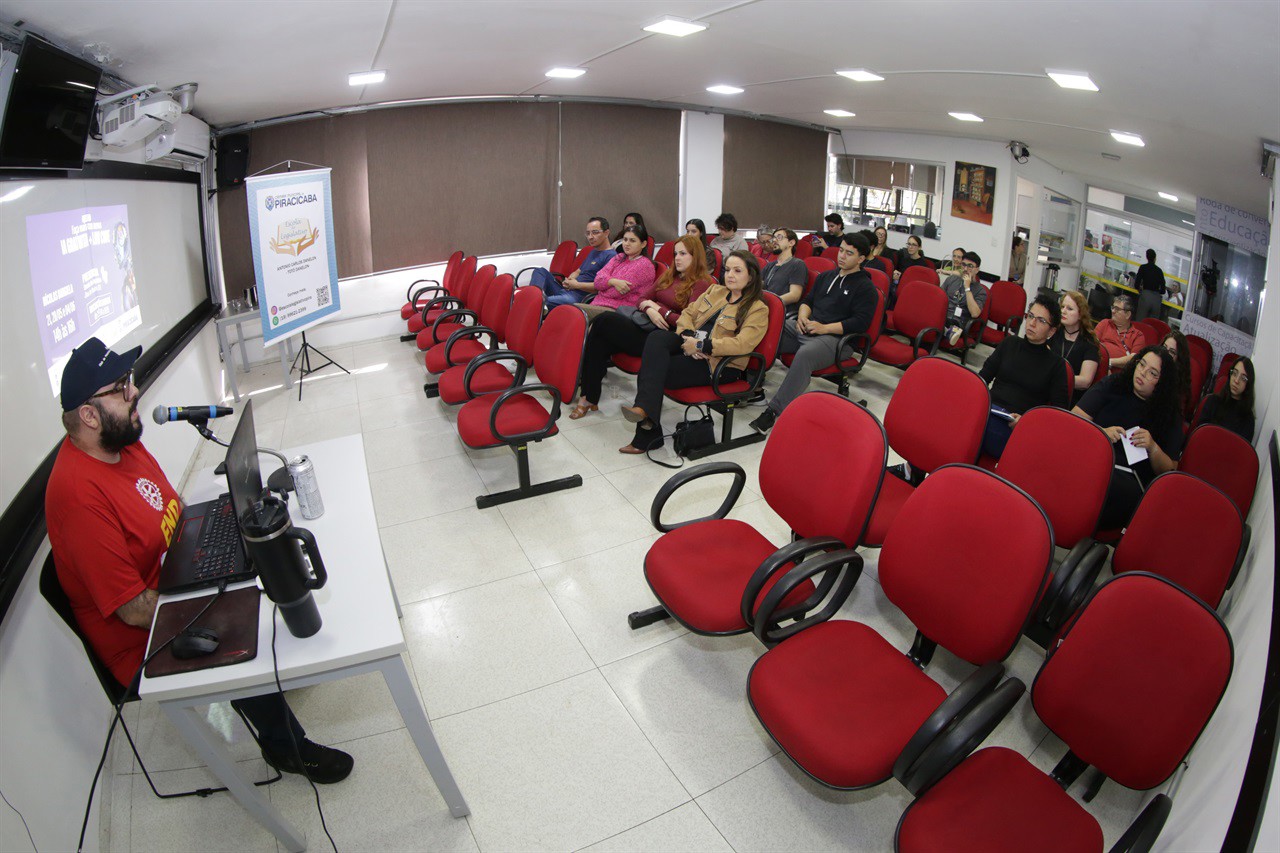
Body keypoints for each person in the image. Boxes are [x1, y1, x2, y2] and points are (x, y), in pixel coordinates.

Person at [45, 338, 354, 784]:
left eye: (129, 381)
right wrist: (216, 597)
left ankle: (272, 669)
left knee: (260, 556)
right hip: (144, 637)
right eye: (120, 387)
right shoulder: (77, 496)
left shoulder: (122, 442)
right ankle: (286, 747)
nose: (135, 393)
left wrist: (219, 544)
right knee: (237, 616)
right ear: (89, 415)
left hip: (176, 577)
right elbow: (133, 610)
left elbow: (170, 510)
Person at [618, 251, 769, 453]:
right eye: (727, 269)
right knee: (656, 338)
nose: (730, 275)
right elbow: (687, 314)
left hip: (719, 364)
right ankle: (645, 411)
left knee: (656, 369)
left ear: (751, 276)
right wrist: (690, 337)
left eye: (737, 270)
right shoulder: (715, 290)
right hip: (690, 342)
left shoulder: (757, 308)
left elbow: (742, 344)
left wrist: (701, 346)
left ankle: (647, 429)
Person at [571, 234, 715, 419]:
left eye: (683, 253)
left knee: (604, 325)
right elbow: (641, 299)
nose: (677, 258)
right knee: (602, 325)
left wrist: (660, 311)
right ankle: (588, 395)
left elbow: (687, 322)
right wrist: (649, 307)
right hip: (648, 326)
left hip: (669, 337)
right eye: (675, 253)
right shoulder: (670, 276)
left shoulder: (702, 284)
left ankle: (589, 396)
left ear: (695, 256)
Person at [748, 232, 879, 435]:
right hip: (810, 328)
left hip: (837, 339)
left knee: (805, 354)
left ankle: (773, 411)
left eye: (849, 253)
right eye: (841, 250)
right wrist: (802, 316)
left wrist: (824, 328)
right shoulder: (827, 276)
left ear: (861, 259)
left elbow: (860, 322)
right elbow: (808, 301)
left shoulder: (866, 287)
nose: (842, 256)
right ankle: (751, 386)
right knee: (770, 330)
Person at [1073, 345, 1183, 529]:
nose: (1142, 373)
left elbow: (1169, 470)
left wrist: (1153, 447)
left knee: (1105, 488)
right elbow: (1073, 419)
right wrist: (1101, 432)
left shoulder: (1169, 414)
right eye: (1142, 365)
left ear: (1162, 382)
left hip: (1129, 480)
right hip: (1093, 460)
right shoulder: (1114, 384)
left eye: (1152, 373)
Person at [977, 294, 1069, 458]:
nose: (1032, 323)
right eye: (1031, 316)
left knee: (969, 432)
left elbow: (1058, 415)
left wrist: (1027, 421)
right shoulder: (1009, 343)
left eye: (1041, 321)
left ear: (1052, 331)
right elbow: (982, 378)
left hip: (1016, 425)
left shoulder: (1056, 365)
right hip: (989, 410)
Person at [534, 216, 615, 307]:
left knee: (539, 303)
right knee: (539, 271)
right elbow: (578, 271)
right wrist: (569, 279)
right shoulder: (593, 251)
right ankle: (534, 296)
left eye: (595, 233)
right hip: (567, 289)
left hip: (580, 297)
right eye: (588, 233)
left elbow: (602, 287)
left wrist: (577, 285)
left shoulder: (611, 256)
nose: (590, 237)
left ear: (606, 233)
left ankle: (536, 300)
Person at [586, 224, 657, 312]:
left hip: (619, 310)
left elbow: (614, 293)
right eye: (625, 239)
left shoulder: (644, 265)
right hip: (598, 304)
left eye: (632, 241)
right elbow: (597, 281)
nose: (627, 244)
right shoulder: (620, 257)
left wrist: (603, 287)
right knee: (571, 311)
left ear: (643, 244)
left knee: (574, 314)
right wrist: (612, 281)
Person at [1052, 291, 1101, 404]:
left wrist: (1055, 378)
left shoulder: (1089, 342)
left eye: (1069, 309)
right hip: (1047, 391)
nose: (1063, 311)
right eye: (1062, 307)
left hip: (1072, 398)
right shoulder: (1054, 331)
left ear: (1080, 314)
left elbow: (1085, 381)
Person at [1198, 356, 1256, 442]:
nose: (1236, 380)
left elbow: (1241, 451)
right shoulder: (1212, 401)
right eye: (1235, 373)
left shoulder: (1248, 419)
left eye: (1243, 378)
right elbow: (1199, 434)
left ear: (1248, 384)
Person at [941, 250, 988, 346]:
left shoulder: (981, 291)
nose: (966, 268)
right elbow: (938, 298)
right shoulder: (951, 279)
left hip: (959, 324)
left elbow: (975, 313)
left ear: (977, 269)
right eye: (963, 265)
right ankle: (946, 332)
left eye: (970, 266)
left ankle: (946, 331)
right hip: (943, 316)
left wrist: (967, 288)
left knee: (941, 326)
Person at [761, 227, 808, 315]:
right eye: (773, 238)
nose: (774, 241)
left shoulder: (797, 264)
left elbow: (794, 295)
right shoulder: (770, 265)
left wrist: (770, 304)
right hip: (764, 309)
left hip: (780, 311)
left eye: (779, 237)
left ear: (791, 242)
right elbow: (759, 285)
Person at [1095, 294, 1148, 371]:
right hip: (1098, 367)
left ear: (1127, 315)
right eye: (1113, 307)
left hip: (1119, 375)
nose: (1113, 311)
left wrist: (1109, 362)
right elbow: (1092, 344)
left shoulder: (1138, 335)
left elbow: (1134, 359)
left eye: (1117, 309)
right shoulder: (1105, 323)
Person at [1160, 330, 1192, 414]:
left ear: (1179, 358)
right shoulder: (1150, 365)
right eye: (1164, 347)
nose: (1165, 353)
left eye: (1171, 352)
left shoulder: (1179, 386)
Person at [1133, 248, 1166, 320]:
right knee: (1152, 324)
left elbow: (1136, 284)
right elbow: (1163, 290)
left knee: (1140, 321)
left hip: (1145, 296)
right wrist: (1158, 292)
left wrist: (1140, 291)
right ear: (1155, 258)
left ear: (1146, 257)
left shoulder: (1143, 268)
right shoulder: (1159, 271)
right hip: (1156, 299)